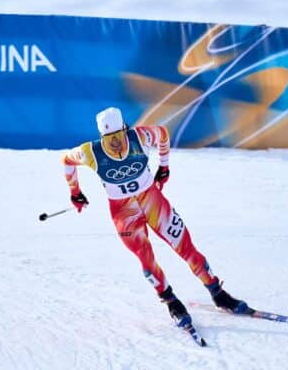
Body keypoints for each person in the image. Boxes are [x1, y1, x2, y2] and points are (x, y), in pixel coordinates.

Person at [61, 107, 249, 327]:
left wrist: (164, 167)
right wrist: (75, 192)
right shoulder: (90, 152)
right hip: (124, 212)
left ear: (125, 129)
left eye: (118, 136)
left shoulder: (140, 137)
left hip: (153, 202)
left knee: (185, 247)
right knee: (145, 257)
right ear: (101, 137)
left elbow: (163, 134)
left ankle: (217, 293)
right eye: (109, 139)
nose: (115, 143)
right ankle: (171, 301)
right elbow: (67, 160)